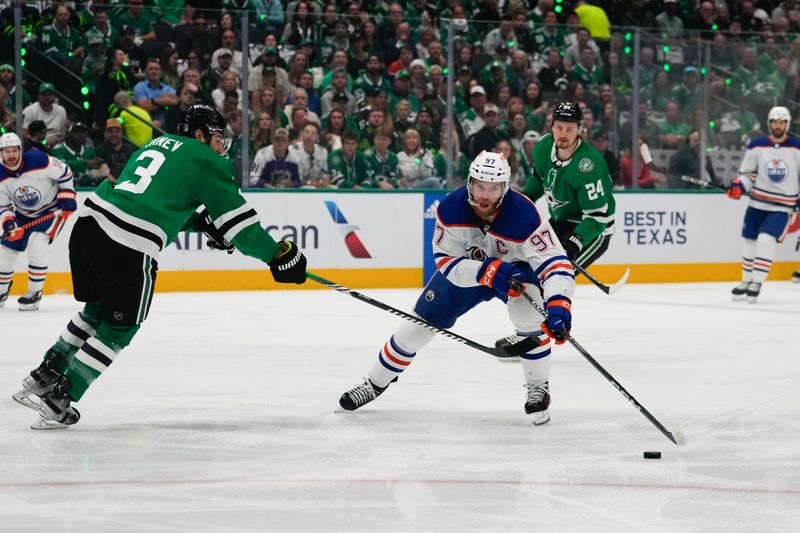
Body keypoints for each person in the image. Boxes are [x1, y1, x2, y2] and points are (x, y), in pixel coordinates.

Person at [11, 105, 308, 430]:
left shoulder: (155, 144)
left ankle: (44, 375)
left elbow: (150, 201)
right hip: (126, 244)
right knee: (119, 329)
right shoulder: (208, 160)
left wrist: (202, 225)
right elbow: (243, 229)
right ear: (200, 134)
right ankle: (59, 399)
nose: (221, 146)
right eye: (219, 138)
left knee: (95, 312)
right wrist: (278, 256)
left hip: (88, 226)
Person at [338, 151, 576, 425]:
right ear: (470, 182)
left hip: (515, 273)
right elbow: (446, 263)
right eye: (480, 186)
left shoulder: (524, 214)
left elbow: (555, 263)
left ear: (505, 187)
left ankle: (538, 386)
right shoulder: (451, 209)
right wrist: (485, 271)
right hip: (469, 273)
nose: (485, 195)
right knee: (415, 328)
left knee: (528, 315)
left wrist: (559, 303)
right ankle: (373, 383)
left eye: (493, 188)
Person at [522, 101, 615, 267]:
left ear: (579, 130)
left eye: (569, 129)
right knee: (533, 267)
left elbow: (597, 217)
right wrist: (524, 201)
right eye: (559, 127)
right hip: (561, 218)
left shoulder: (588, 165)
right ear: (551, 127)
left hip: (593, 228)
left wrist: (576, 241)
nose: (563, 134)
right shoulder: (544, 146)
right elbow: (538, 179)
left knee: (558, 275)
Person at [726, 106, 800, 303]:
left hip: (782, 207)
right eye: (774, 121)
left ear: (787, 124)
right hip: (757, 204)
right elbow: (748, 174)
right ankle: (745, 280)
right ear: (769, 123)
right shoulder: (756, 146)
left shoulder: (797, 147)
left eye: (782, 122)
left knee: (766, 239)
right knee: (749, 241)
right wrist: (739, 185)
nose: (778, 125)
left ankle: (757, 282)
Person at [0, 132, 76, 311]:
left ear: (20, 150)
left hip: (51, 211)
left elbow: (65, 172)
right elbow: (2, 207)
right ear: (1, 154)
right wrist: (9, 224)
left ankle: (35, 293)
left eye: (14, 151)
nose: (11, 156)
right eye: (6, 152)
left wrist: (67, 194)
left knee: (37, 244)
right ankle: (2, 291)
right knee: (5, 251)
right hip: (23, 215)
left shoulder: (39, 160)